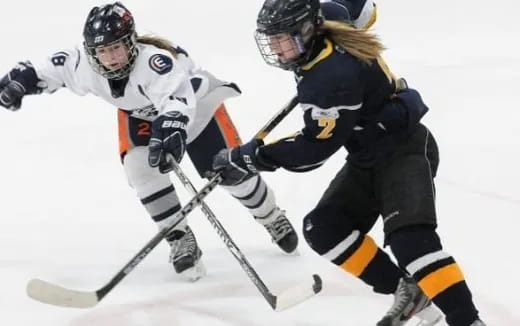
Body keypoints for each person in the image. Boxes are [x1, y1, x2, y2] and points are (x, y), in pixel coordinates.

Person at [212, 0, 486, 325]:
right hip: (368, 155)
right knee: (324, 229)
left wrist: (253, 157)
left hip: (404, 150)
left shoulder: (332, 78)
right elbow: (359, 8)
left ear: (305, 30)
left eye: (281, 38)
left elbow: (314, 150)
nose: (274, 48)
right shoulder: (328, 22)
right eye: (271, 39)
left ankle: (468, 321)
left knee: (410, 241)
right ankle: (409, 290)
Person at [0, 2, 298, 281]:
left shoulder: (155, 63)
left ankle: (270, 215)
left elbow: (177, 100)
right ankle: (180, 238)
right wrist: (18, 83)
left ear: (131, 42)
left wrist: (170, 129)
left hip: (198, 109)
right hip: (143, 116)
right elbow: (42, 71)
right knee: (140, 169)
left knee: (229, 173)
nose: (111, 57)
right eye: (102, 50)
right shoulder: (83, 64)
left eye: (116, 47)